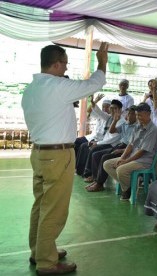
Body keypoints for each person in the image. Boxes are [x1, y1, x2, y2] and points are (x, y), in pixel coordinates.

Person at [21, 43, 108, 274]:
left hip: (39, 153)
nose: (66, 68)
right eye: (65, 64)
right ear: (57, 63)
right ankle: (47, 263)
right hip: (58, 155)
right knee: (54, 209)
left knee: (40, 205)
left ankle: (39, 251)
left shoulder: (30, 89)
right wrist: (101, 61)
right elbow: (95, 84)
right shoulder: (58, 85)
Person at [103, 102, 157, 201]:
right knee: (107, 164)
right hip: (133, 157)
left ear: (148, 114)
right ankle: (129, 186)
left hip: (144, 161)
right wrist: (122, 158)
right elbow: (130, 145)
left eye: (140, 115)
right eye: (137, 115)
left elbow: (142, 151)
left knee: (121, 169)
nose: (138, 117)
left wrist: (126, 161)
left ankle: (128, 188)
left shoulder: (153, 130)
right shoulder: (138, 126)